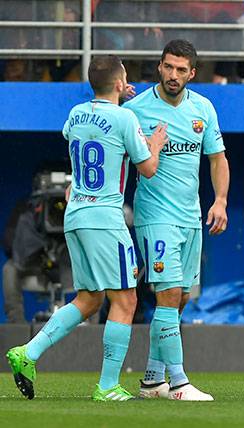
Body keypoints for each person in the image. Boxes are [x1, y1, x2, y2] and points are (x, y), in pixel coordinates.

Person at [5, 55, 167, 401]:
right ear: (121, 83)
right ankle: (108, 385)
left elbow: (85, 134)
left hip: (76, 213)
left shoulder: (76, 114)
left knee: (89, 299)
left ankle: (27, 353)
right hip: (106, 218)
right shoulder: (125, 117)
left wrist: (115, 95)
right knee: (125, 299)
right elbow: (149, 168)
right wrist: (154, 145)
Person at [123, 39, 229, 402]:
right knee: (167, 295)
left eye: (181, 69)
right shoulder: (135, 109)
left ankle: (152, 380)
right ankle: (180, 383)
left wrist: (221, 200)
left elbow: (217, 159)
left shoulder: (204, 108)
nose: (173, 75)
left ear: (192, 73)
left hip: (190, 217)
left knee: (180, 298)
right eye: (168, 67)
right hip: (155, 216)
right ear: (159, 67)